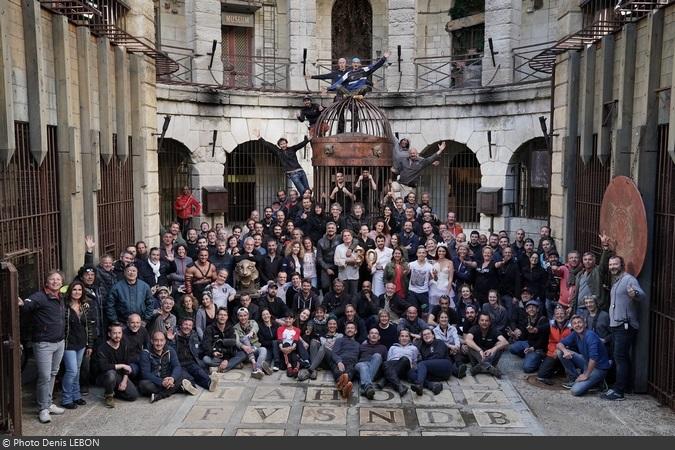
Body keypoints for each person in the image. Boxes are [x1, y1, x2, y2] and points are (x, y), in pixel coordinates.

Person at [18, 271, 67, 423]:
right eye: (52, 279)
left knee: (53, 373)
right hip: (43, 343)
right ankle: (43, 409)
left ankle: (48, 403)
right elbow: (27, 305)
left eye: (58, 279)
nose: (55, 282)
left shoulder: (60, 297)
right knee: (45, 376)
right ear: (46, 282)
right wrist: (22, 303)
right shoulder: (40, 297)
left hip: (59, 342)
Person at [602, 254, 645, 401]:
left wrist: (635, 293)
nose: (612, 267)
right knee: (620, 357)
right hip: (616, 325)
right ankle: (621, 386)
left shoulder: (629, 279)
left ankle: (619, 391)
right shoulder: (616, 281)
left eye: (615, 264)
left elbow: (641, 295)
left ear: (622, 265)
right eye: (611, 265)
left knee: (620, 357)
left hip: (624, 325)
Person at [557, 315, 611, 397]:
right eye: (574, 323)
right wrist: (565, 351)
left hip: (599, 367)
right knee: (560, 352)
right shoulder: (575, 334)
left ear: (585, 324)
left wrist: (586, 375)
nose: (577, 325)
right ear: (572, 327)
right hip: (586, 362)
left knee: (575, 391)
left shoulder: (590, 335)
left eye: (579, 322)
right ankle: (574, 379)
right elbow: (559, 344)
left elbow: (594, 358)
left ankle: (599, 383)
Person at [139, 331, 199, 403]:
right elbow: (146, 374)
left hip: (168, 378)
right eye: (156, 340)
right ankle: (180, 388)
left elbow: (177, 366)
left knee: (182, 373)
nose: (159, 343)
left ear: (165, 341)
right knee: (143, 385)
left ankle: (160, 395)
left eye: (161, 340)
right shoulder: (145, 353)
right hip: (155, 382)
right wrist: (161, 382)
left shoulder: (170, 350)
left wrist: (172, 378)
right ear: (152, 341)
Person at [93, 322, 139, 409]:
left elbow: (127, 364)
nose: (117, 335)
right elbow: (103, 367)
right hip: (103, 377)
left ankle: (114, 391)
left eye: (119, 333)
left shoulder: (124, 345)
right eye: (114, 333)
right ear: (109, 334)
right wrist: (121, 365)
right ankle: (109, 396)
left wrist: (124, 381)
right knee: (111, 373)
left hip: (119, 376)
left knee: (133, 396)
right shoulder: (102, 348)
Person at [254, 129, 311, 195]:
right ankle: (305, 203)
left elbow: (300, 145)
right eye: (281, 144)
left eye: (284, 143)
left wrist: (307, 140)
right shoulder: (278, 152)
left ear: (287, 143)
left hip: (301, 171)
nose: (283, 145)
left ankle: (310, 203)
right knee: (303, 192)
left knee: (308, 190)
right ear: (279, 146)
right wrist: (259, 137)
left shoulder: (292, 149)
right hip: (293, 174)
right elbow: (268, 145)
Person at [172, 317, 219, 391]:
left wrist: (211, 352)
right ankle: (192, 387)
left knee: (200, 373)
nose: (187, 327)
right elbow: (171, 351)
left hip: (191, 362)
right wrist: (170, 340)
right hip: (179, 364)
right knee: (187, 377)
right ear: (180, 326)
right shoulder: (173, 336)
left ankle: (210, 384)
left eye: (190, 325)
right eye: (185, 324)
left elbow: (199, 349)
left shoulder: (193, 335)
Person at [462, 313, 509, 378]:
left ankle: (480, 367)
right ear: (478, 321)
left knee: (500, 345)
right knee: (470, 345)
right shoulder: (474, 328)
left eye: (486, 321)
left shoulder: (493, 330)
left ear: (489, 322)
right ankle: (488, 368)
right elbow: (467, 340)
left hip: (489, 356)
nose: (484, 322)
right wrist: (480, 350)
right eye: (482, 320)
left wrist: (493, 349)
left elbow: (505, 342)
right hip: (477, 357)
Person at [508, 299, 549, 373]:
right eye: (529, 308)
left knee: (527, 368)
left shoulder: (543, 319)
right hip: (528, 343)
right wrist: (515, 336)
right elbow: (523, 336)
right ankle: (528, 356)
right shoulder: (527, 319)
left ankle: (538, 360)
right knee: (512, 348)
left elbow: (544, 339)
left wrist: (533, 348)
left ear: (537, 309)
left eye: (534, 307)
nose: (531, 309)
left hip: (538, 348)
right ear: (526, 310)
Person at [536, 304, 572, 385]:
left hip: (566, 352)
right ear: (554, 316)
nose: (560, 316)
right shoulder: (550, 324)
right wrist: (534, 329)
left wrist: (561, 349)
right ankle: (557, 368)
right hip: (552, 352)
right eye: (557, 314)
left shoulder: (571, 325)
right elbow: (540, 329)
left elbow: (574, 342)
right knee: (541, 375)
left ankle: (566, 372)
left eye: (562, 313)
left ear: (566, 315)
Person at [409, 328, 453, 395]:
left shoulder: (439, 342)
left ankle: (419, 384)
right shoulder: (422, 347)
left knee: (422, 364)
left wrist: (424, 363)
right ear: (422, 338)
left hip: (445, 366)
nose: (426, 336)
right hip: (434, 373)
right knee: (410, 373)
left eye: (428, 334)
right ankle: (432, 386)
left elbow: (438, 356)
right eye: (424, 335)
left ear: (433, 335)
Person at [233, 308, 271, 379]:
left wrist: (252, 332)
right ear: (238, 317)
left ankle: (257, 369)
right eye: (241, 316)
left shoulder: (253, 322)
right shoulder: (235, 328)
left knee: (263, 350)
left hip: (255, 348)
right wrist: (244, 346)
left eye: (245, 315)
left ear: (248, 315)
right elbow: (237, 341)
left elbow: (256, 328)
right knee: (244, 338)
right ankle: (257, 365)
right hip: (245, 352)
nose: (243, 318)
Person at [382, 329, 420, 396]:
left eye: (406, 336)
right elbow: (389, 361)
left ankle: (385, 380)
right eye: (402, 336)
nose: (404, 338)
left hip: (406, 368)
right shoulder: (393, 347)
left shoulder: (414, 348)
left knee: (404, 359)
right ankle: (400, 387)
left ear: (409, 338)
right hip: (394, 366)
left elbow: (414, 362)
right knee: (385, 363)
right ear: (399, 338)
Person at [202, 307, 239, 372]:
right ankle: (233, 365)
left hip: (227, 355)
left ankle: (217, 368)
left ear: (227, 317)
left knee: (242, 354)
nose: (222, 317)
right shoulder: (209, 328)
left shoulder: (230, 328)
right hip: (215, 356)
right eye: (220, 315)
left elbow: (232, 345)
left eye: (225, 315)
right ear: (216, 316)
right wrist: (213, 352)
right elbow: (206, 345)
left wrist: (226, 359)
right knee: (205, 359)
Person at [355, 328, 389, 399]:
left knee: (377, 356)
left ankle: (365, 388)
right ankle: (367, 387)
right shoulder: (361, 346)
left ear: (379, 337)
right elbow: (355, 358)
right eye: (372, 333)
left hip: (374, 369)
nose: (374, 335)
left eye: (376, 333)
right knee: (363, 366)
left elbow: (386, 363)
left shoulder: (383, 348)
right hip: (361, 366)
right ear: (368, 336)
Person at [330, 322, 361, 399]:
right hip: (341, 360)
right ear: (345, 331)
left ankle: (342, 387)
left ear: (355, 331)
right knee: (339, 371)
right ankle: (344, 388)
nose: (350, 330)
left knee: (349, 373)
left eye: (352, 328)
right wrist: (339, 362)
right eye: (348, 328)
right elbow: (334, 353)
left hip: (352, 363)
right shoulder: (340, 340)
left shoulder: (358, 344)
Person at [333, 229, 363, 296]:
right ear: (342, 238)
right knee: (343, 296)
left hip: (354, 276)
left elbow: (359, 261)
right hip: (343, 276)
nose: (347, 237)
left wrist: (354, 262)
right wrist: (347, 261)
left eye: (348, 235)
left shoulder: (358, 248)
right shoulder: (339, 247)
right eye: (345, 236)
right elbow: (336, 261)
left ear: (352, 237)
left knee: (354, 296)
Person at [407, 246, 434, 313]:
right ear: (417, 254)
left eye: (423, 253)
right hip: (412, 292)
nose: (421, 254)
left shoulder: (430, 266)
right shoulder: (411, 264)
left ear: (426, 254)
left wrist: (435, 275)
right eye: (419, 253)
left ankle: (424, 323)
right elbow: (405, 274)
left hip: (423, 293)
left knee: (424, 311)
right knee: (413, 311)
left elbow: (435, 278)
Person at [317, 222, 341, 294]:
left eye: (332, 228)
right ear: (326, 229)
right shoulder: (320, 241)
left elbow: (354, 240)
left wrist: (350, 249)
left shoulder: (340, 238)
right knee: (325, 286)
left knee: (338, 286)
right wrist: (327, 268)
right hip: (325, 266)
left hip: (338, 266)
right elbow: (319, 257)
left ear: (336, 230)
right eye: (329, 228)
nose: (331, 229)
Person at [277, 312, 303, 377]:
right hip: (283, 350)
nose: (288, 320)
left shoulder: (297, 330)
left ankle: (292, 368)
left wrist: (292, 348)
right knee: (286, 343)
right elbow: (280, 340)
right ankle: (292, 366)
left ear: (293, 320)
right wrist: (282, 348)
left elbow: (295, 340)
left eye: (290, 318)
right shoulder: (280, 329)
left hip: (293, 348)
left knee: (294, 354)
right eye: (286, 318)